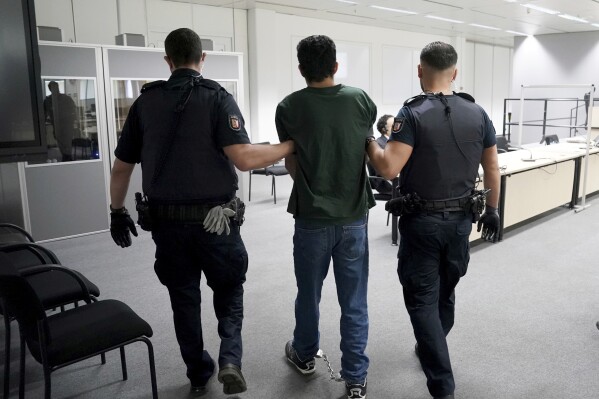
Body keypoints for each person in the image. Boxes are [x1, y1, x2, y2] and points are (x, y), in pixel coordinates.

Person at [108, 28, 294, 396]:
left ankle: (197, 371)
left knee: (183, 298)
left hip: (167, 226)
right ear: (202, 59)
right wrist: (288, 146)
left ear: (168, 60)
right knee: (228, 290)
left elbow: (121, 168)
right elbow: (242, 159)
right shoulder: (217, 98)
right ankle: (229, 360)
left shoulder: (145, 103)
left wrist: (116, 211)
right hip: (216, 223)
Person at [367, 41, 501, 399]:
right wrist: (494, 210)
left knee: (423, 299)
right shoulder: (479, 113)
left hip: (422, 223)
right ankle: (432, 343)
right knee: (445, 289)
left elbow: (389, 167)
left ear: (419, 71)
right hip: (461, 223)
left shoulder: (411, 114)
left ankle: (442, 386)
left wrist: (368, 140)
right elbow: (492, 167)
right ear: (454, 73)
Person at [275, 35, 376, 399]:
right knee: (354, 300)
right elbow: (366, 147)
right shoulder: (361, 100)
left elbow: (292, 162)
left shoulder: (288, 107)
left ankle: (304, 354)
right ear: (336, 66)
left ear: (301, 69)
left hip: (312, 219)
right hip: (354, 218)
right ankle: (355, 378)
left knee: (309, 294)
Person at [43, 81, 78, 161]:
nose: (55, 89)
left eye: (56, 87)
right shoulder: (48, 101)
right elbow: (43, 114)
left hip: (67, 125)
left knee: (67, 145)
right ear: (50, 89)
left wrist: (75, 123)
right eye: (52, 88)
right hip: (57, 126)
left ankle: (68, 160)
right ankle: (66, 158)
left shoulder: (66, 98)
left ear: (58, 87)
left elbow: (74, 111)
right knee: (61, 144)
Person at [368, 114, 394, 195]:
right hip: (385, 183)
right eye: (393, 125)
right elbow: (381, 170)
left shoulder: (394, 143)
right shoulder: (378, 144)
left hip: (393, 180)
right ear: (384, 129)